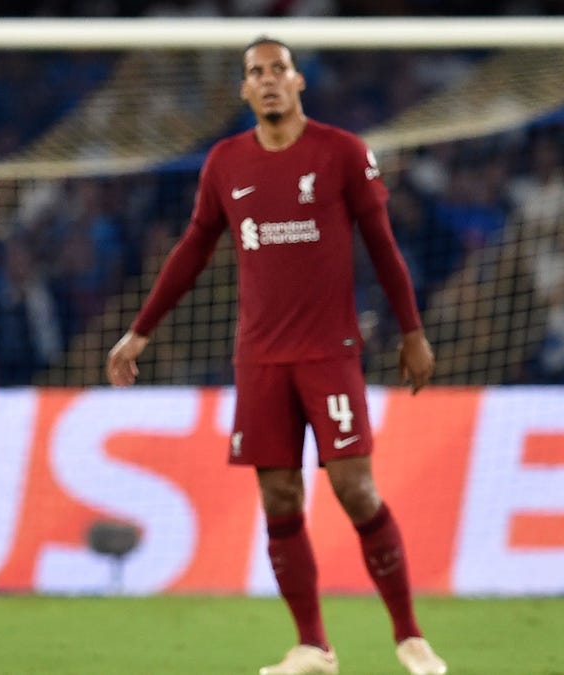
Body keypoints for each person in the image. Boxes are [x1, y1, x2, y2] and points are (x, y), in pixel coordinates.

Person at [106, 38, 447, 675]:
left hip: (330, 352)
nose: (267, 81)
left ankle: (410, 637)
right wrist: (140, 331)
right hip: (260, 359)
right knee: (281, 499)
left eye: (278, 70)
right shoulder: (225, 162)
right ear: (244, 90)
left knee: (355, 488)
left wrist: (412, 332)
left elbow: (383, 246)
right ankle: (314, 647)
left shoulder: (341, 153)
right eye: (255, 73)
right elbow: (192, 250)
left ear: (298, 82)